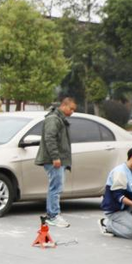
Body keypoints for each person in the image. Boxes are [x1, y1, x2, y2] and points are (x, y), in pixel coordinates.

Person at [35, 97, 76, 228]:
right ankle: (53, 215)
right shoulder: (53, 119)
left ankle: (52, 214)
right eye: (71, 109)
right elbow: (50, 138)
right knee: (56, 187)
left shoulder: (58, 118)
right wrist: (55, 157)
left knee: (56, 187)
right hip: (54, 160)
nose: (72, 112)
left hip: (57, 159)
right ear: (64, 106)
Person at [99, 147, 132, 239]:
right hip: (115, 211)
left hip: (127, 209)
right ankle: (107, 224)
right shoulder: (120, 172)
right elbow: (118, 196)